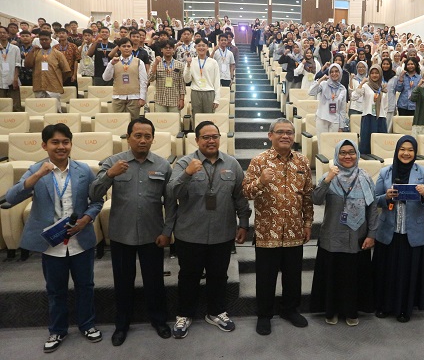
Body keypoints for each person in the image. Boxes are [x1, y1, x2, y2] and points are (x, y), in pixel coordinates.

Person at [6, 123, 103, 353]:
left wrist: (87, 219)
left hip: (80, 240)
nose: (61, 147)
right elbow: (11, 197)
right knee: (55, 289)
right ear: (44, 145)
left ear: (71, 144)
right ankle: (57, 330)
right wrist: (39, 174)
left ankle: (87, 325)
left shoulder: (83, 170)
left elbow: (97, 201)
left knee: (86, 286)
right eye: (55, 142)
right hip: (52, 244)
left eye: (65, 142)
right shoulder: (35, 170)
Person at [89, 118, 175, 346]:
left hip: (152, 234)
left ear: (153, 139)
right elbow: (94, 194)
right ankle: (122, 324)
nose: (143, 140)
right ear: (128, 137)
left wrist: (167, 231)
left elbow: (171, 202)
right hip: (121, 234)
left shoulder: (163, 165)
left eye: (147, 136)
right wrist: (110, 175)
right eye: (138, 135)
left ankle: (159, 320)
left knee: (154, 282)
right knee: (123, 283)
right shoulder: (113, 162)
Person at [169, 121, 251, 337]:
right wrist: (187, 173)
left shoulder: (232, 164)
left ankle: (216, 312)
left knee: (218, 275)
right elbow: (171, 193)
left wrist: (243, 223)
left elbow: (240, 197)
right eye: (205, 137)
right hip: (190, 233)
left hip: (222, 232)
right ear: (196, 140)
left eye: (214, 136)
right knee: (188, 275)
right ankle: (184, 314)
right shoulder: (184, 163)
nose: (211, 140)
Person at [242, 118, 314, 336]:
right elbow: (246, 192)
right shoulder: (259, 161)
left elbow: (308, 196)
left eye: (290, 132)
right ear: (270, 135)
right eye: (280, 132)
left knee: (293, 275)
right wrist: (261, 181)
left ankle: (290, 310)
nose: (286, 136)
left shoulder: (302, 161)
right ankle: (264, 315)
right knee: (266, 277)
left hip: (294, 229)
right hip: (267, 232)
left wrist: (308, 222)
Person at [310, 139, 376, 326]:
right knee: (333, 275)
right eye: (343, 152)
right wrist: (328, 178)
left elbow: (372, 209)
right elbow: (315, 199)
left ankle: (351, 310)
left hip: (358, 236)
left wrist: (372, 234)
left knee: (353, 275)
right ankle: (331, 310)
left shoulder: (365, 177)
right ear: (337, 155)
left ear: (357, 155)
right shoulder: (329, 176)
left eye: (351, 152)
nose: (347, 156)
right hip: (333, 236)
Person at [373, 135, 424, 322]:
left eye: (410, 150)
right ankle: (384, 306)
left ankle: (404, 309)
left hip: (412, 232)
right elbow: (374, 199)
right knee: (388, 272)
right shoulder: (385, 172)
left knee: (407, 274)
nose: (406, 153)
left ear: (415, 152)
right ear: (397, 150)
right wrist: (387, 197)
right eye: (402, 149)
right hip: (389, 231)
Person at [24, 31, 70, 112]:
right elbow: (27, 65)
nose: (44, 41)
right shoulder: (35, 52)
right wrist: (31, 51)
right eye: (42, 40)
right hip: (39, 86)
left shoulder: (58, 54)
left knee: (55, 111)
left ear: (50, 40)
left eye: (46, 39)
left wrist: (59, 80)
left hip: (54, 87)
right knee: (40, 111)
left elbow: (66, 71)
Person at [101, 37, 148, 119]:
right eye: (124, 46)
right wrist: (111, 64)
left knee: (133, 122)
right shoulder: (114, 61)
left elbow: (143, 81)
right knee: (119, 122)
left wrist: (142, 98)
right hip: (118, 97)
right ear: (119, 48)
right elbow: (106, 78)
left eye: (128, 46)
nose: (126, 48)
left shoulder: (139, 62)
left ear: (132, 48)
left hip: (134, 97)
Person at [351, 64, 388, 155]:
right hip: (368, 117)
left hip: (380, 118)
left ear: (380, 74)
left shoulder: (383, 87)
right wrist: (362, 83)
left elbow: (386, 105)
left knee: (380, 143)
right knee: (366, 144)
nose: (374, 75)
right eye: (372, 73)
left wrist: (384, 116)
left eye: (377, 73)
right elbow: (354, 97)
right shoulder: (366, 86)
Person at [309, 63, 348, 137]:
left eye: (337, 71)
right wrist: (321, 79)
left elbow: (342, 110)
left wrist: (341, 127)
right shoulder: (323, 84)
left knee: (332, 145)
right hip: (322, 118)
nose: (334, 74)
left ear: (340, 73)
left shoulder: (342, 89)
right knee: (322, 144)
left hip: (335, 120)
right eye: (332, 72)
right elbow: (311, 92)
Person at [184, 37, 220, 117]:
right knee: (196, 117)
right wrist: (188, 66)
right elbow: (187, 80)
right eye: (199, 45)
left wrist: (217, 99)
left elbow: (217, 81)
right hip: (195, 92)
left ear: (207, 47)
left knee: (208, 117)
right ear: (195, 47)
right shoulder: (191, 61)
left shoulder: (213, 62)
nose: (201, 48)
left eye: (203, 45)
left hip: (209, 92)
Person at [148, 40, 186, 113]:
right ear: (162, 50)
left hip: (175, 100)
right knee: (160, 122)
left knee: (174, 122)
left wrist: (182, 99)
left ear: (173, 50)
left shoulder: (180, 64)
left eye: (170, 48)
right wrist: (155, 65)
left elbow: (182, 84)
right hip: (160, 100)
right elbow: (150, 79)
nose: (168, 49)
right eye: (165, 48)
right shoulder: (156, 63)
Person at [0, 26, 21, 109]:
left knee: (15, 106)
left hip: (12, 80)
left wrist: (15, 79)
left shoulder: (15, 48)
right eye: (0, 33)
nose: (2, 34)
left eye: (4, 32)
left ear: (8, 34)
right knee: (2, 106)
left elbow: (17, 65)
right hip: (0, 80)